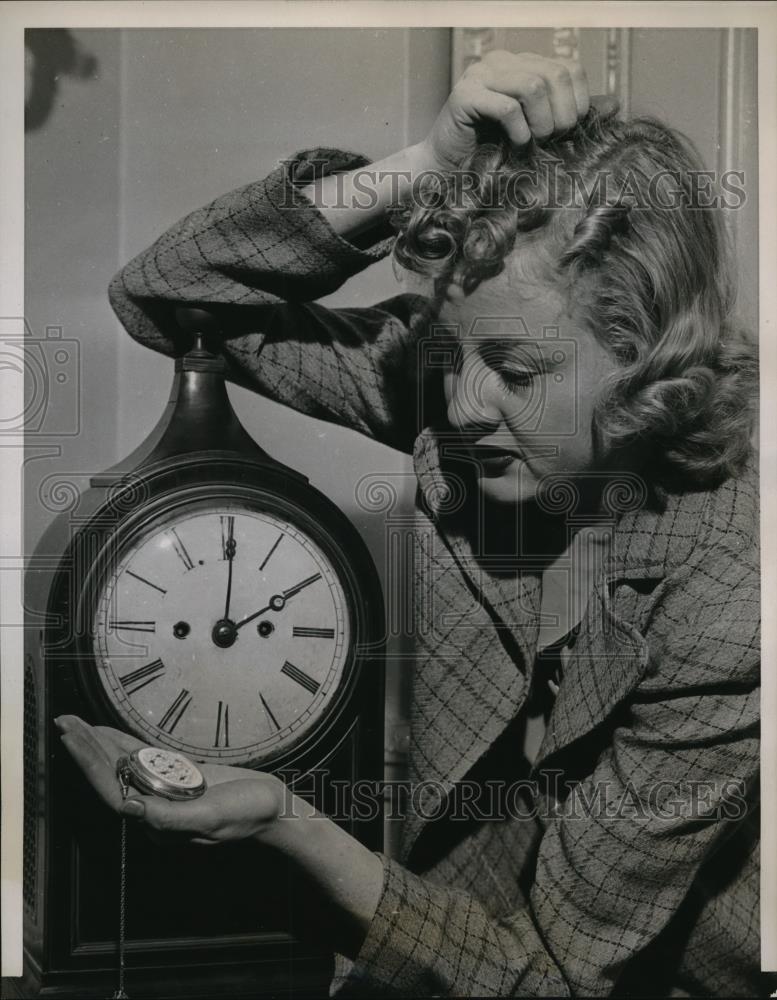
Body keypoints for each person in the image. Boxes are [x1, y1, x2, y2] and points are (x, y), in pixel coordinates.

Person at [57, 50, 764, 996]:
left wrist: (289, 822)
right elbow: (163, 293)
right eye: (448, 356)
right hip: (434, 951)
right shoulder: (464, 400)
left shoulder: (732, 590)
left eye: (516, 371)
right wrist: (423, 163)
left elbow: (553, 973)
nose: (464, 408)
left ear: (643, 357)